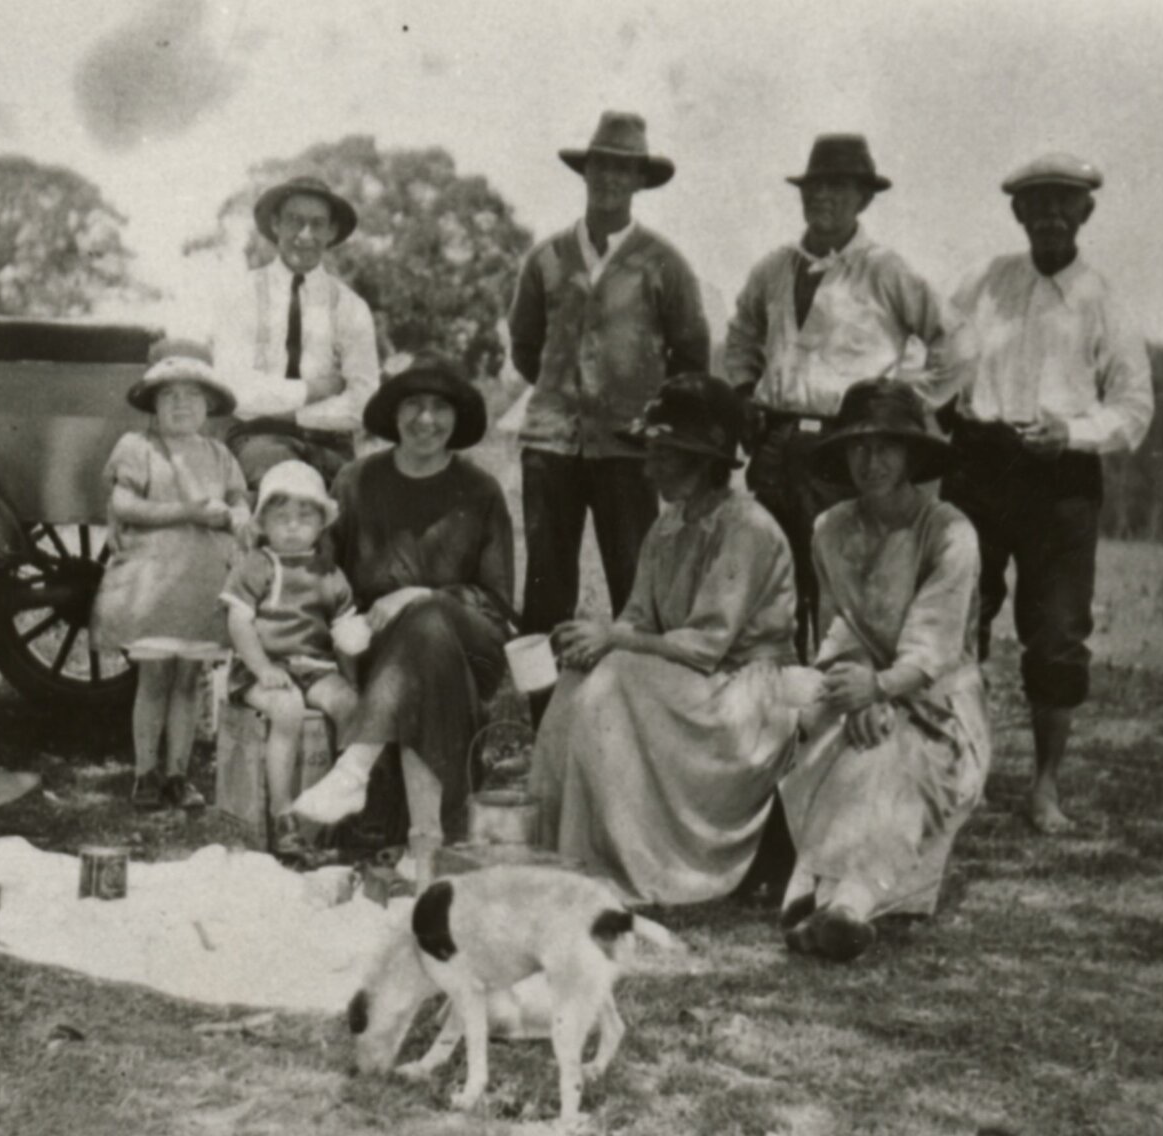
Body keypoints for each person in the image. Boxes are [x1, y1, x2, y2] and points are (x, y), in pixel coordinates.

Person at [940, 153, 1153, 834]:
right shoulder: (981, 284)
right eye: (1037, 207)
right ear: (1018, 215)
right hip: (978, 466)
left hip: (1059, 480)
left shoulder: (1102, 300)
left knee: (1057, 636)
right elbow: (938, 361)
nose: (1050, 218)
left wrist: (1072, 432)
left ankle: (1044, 788)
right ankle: (951, 773)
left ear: (1084, 213)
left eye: (1064, 205)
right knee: (955, 619)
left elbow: (1133, 408)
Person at [530, 374, 799, 905]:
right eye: (649, 452)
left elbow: (706, 645)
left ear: (702, 460)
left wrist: (616, 641)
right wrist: (596, 639)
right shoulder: (669, 527)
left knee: (617, 676)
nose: (648, 467)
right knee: (581, 674)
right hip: (688, 682)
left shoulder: (747, 528)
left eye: (663, 455)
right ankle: (562, 849)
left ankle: (631, 859)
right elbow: (638, 620)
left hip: (747, 689)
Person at [721, 133, 957, 658]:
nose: (823, 197)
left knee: (841, 580)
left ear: (863, 199)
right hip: (779, 441)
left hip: (846, 444)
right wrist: (743, 392)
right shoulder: (775, 268)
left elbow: (954, 340)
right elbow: (740, 335)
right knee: (774, 580)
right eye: (815, 186)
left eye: (839, 188)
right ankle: (781, 705)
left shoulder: (884, 270)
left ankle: (843, 700)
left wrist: (909, 405)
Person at [777, 380, 989, 961]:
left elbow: (931, 647)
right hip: (860, 686)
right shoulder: (830, 529)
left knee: (900, 758)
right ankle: (815, 887)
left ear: (911, 454)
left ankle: (849, 903)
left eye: (887, 447)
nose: (872, 462)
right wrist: (859, 689)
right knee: (815, 725)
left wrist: (882, 689)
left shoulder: (949, 532)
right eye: (858, 447)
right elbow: (837, 626)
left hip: (937, 700)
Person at [287, 354, 515, 881]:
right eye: (414, 405)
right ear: (394, 414)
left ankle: (354, 769)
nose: (427, 420)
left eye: (440, 408)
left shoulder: (480, 491)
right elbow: (320, 578)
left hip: (469, 647)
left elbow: (498, 604)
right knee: (421, 643)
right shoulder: (356, 481)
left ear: (457, 419)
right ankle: (425, 843)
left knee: (428, 618)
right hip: (374, 654)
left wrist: (418, 594)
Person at [508, 110, 710, 648]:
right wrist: (564, 393)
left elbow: (691, 355)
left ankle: (634, 708)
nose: (610, 179)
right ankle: (544, 720)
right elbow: (526, 347)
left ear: (640, 181)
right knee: (546, 589)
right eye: (601, 166)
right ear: (585, 172)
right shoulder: (547, 257)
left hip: (628, 450)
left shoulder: (663, 263)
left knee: (636, 586)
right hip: (550, 446)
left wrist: (642, 414)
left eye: (624, 170)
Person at [92, 339, 255, 811]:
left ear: (208, 405)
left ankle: (178, 774)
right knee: (155, 678)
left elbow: (238, 498)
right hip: (153, 586)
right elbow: (124, 504)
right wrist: (189, 511)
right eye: (169, 395)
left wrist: (240, 515)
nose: (181, 404)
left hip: (201, 586)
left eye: (192, 395)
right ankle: (145, 772)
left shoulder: (219, 455)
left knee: (189, 681)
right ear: (153, 405)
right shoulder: (138, 447)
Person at [212, 175, 381, 489]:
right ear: (276, 224)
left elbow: (364, 402)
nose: (305, 235)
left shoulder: (350, 306)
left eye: (318, 224)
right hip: (258, 438)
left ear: (331, 232)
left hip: (331, 444)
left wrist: (292, 415)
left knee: (358, 501)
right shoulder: (242, 294)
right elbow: (235, 391)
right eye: (294, 221)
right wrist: (316, 390)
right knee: (285, 487)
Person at [222, 459, 363, 829]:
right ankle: (282, 811)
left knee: (350, 706)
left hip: (314, 667)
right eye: (281, 516)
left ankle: (343, 794)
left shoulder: (329, 572)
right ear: (264, 523)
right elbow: (239, 622)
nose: (293, 525)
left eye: (305, 517)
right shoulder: (258, 565)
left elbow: (343, 635)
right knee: (287, 710)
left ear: (321, 523)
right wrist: (262, 669)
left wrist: (351, 679)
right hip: (261, 669)